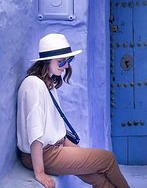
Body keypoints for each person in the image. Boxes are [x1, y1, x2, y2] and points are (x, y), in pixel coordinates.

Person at [17, 33, 129, 188]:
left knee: (97, 177)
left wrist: (80, 153)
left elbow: (56, 131)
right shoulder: (34, 85)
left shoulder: (47, 84)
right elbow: (35, 133)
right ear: (46, 61)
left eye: (68, 61)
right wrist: (40, 173)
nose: (66, 66)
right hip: (43, 154)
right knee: (108, 159)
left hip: (56, 148)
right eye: (61, 62)